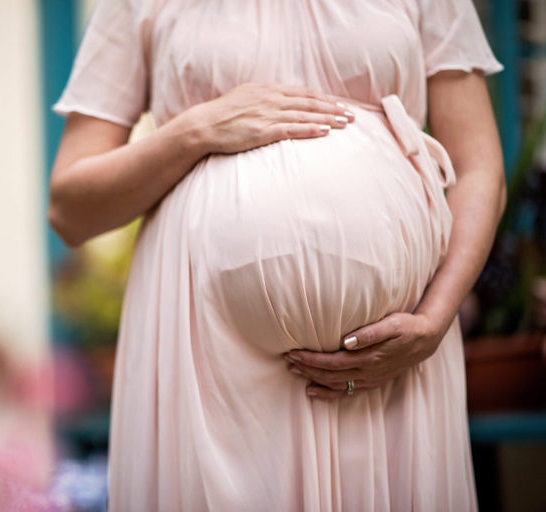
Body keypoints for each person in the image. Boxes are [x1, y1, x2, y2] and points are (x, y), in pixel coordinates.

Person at [48, 1, 506, 510]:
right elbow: (69, 209)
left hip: (394, 370)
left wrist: (436, 318)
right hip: (207, 360)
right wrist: (196, 130)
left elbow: (479, 166)